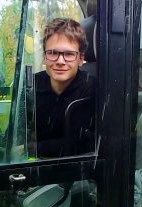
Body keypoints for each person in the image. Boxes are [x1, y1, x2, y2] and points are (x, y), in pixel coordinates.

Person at [29, 18, 96, 157]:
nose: (60, 61)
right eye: (53, 53)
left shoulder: (92, 89)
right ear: (45, 56)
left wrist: (33, 148)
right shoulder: (31, 85)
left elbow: (81, 143)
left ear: (81, 59)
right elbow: (16, 135)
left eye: (69, 54)